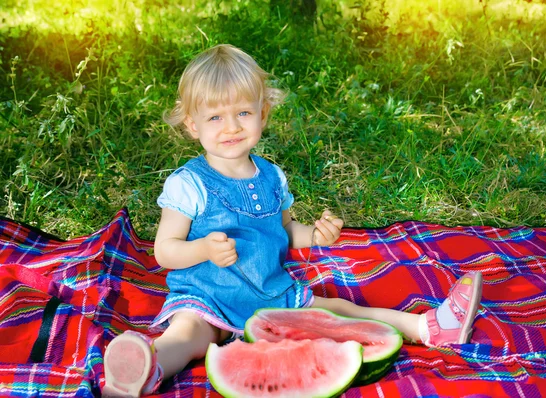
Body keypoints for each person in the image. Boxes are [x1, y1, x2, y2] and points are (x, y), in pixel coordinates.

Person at [102, 44, 484, 397]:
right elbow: (165, 252)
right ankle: (144, 371)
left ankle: (429, 327)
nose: (231, 127)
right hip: (208, 296)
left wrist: (315, 236)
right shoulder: (188, 184)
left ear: (262, 114)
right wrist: (203, 248)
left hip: (272, 292)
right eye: (215, 116)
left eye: (243, 113)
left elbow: (284, 232)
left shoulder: (271, 177)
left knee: (342, 311)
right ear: (192, 125)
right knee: (186, 336)